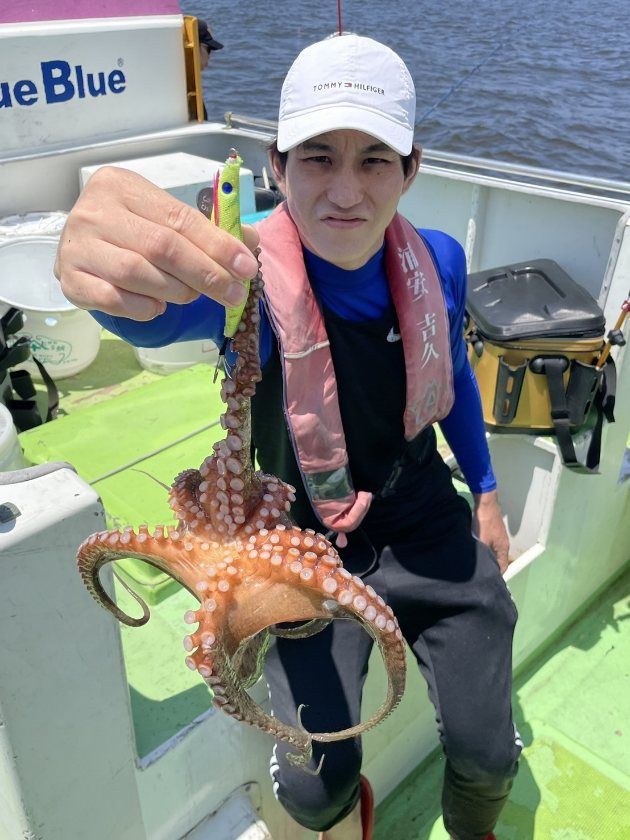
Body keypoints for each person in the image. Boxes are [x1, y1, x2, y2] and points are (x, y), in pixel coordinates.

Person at [56, 32, 521, 840]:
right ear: (276, 168)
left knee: (488, 756)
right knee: (312, 790)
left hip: (423, 514)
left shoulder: (439, 261)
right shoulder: (239, 282)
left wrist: (484, 491)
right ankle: (344, 813)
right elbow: (152, 315)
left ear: (411, 170)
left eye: (374, 160)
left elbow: (449, 382)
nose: (345, 190)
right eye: (317, 157)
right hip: (297, 541)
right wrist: (93, 269)